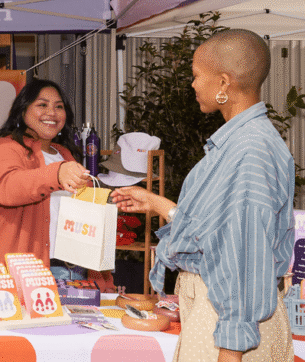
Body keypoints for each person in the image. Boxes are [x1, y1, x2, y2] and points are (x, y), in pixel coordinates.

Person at [111, 29, 295, 361]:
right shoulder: (240, 143)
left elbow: (245, 255)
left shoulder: (249, 150)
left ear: (224, 83)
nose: (193, 85)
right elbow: (218, 234)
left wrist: (231, 349)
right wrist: (160, 205)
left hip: (227, 326)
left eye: (197, 76)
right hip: (220, 318)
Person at [0, 78, 90, 280]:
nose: (52, 112)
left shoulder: (65, 154)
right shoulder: (5, 149)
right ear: (23, 111)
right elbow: (8, 186)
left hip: (74, 271)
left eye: (59, 107)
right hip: (25, 273)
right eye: (42, 105)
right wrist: (55, 174)